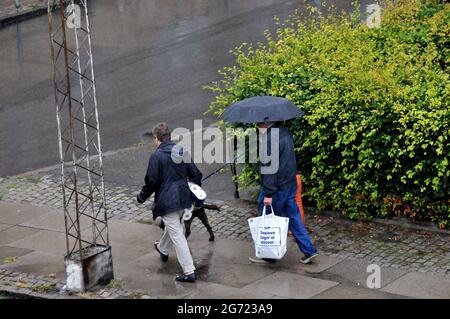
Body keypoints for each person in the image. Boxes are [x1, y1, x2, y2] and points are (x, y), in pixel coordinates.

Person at [136, 122, 202, 282]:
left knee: (177, 235)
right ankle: (163, 249)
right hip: (184, 199)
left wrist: (141, 197)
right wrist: (194, 189)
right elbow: (196, 174)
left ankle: (189, 271)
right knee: (174, 226)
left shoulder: (156, 156)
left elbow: (151, 182)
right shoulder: (181, 151)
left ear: (157, 138)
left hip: (168, 202)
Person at [249, 121, 318, 264]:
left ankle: (269, 255)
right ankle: (309, 250)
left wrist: (268, 194)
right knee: (293, 218)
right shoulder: (285, 131)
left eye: (257, 124)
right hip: (289, 183)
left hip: (275, 188)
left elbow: (269, 168)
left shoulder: (269, 139)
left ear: (263, 123)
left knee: (267, 221)